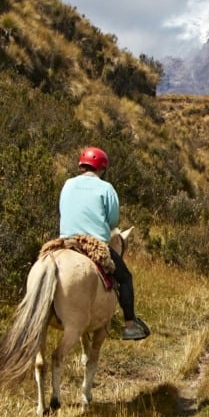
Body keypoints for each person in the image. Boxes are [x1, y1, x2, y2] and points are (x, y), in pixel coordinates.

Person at [59, 146, 151, 341]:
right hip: (93, 243)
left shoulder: (67, 183)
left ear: (81, 166)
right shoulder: (106, 188)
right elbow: (113, 221)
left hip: (66, 241)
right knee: (125, 278)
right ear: (102, 168)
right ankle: (130, 326)